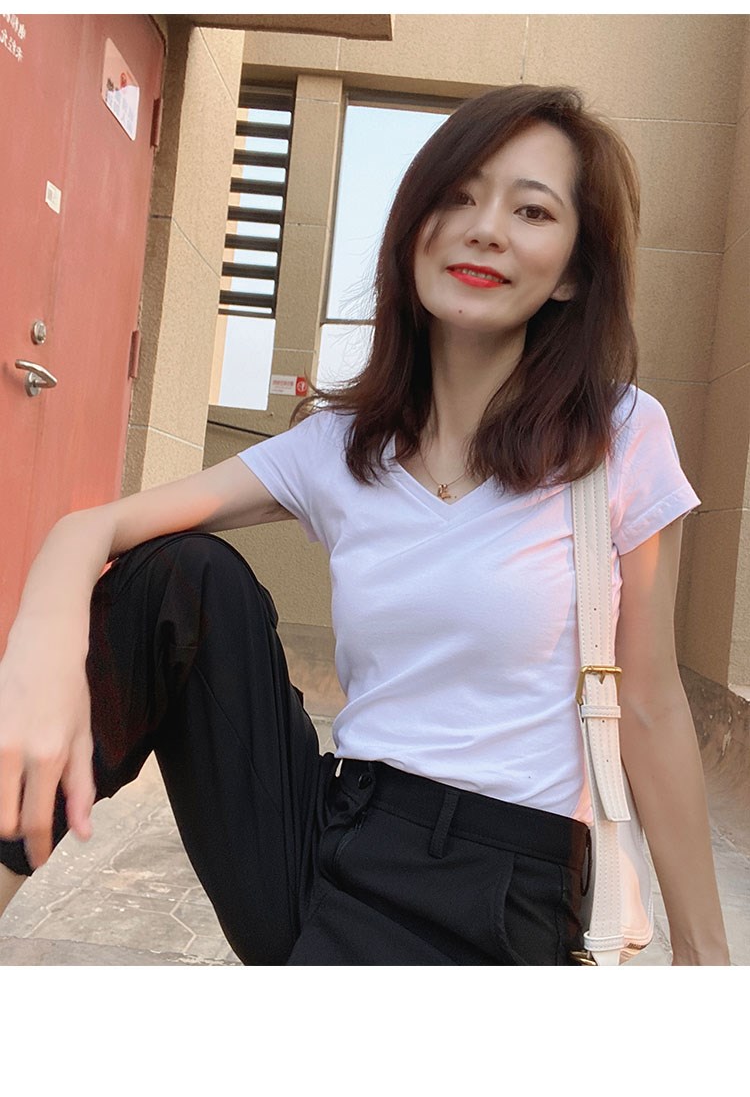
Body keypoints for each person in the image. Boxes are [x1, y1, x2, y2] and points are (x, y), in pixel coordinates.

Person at [0, 84, 730, 965]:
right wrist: (36, 658)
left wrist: (706, 964)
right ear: (414, 229)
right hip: (331, 837)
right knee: (181, 579)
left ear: (574, 269)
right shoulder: (345, 444)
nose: (485, 228)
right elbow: (99, 528)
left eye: (532, 210)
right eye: (458, 195)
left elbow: (650, 701)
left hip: (505, 885)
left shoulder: (618, 435)